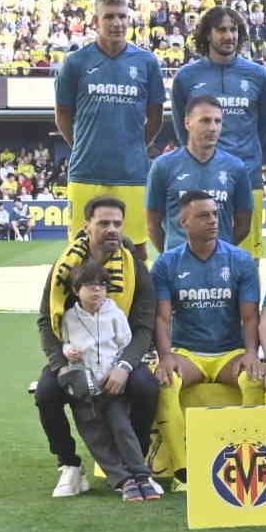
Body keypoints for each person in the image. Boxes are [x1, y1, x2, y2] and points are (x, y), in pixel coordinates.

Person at [37, 197, 159, 498]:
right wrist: (62, 365)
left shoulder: (135, 267)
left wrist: (125, 366)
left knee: (146, 386)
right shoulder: (65, 267)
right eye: (103, 223)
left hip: (120, 355)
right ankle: (69, 464)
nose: (112, 229)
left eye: (117, 223)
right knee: (47, 392)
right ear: (86, 226)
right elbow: (45, 321)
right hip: (75, 357)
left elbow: (144, 327)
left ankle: (137, 462)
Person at [150, 190, 262, 474]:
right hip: (188, 354)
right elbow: (161, 318)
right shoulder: (166, 263)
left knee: (255, 381)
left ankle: (242, 456)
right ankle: (182, 470)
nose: (213, 220)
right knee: (164, 385)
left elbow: (250, 317)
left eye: (215, 214)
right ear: (183, 221)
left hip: (231, 353)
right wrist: (165, 356)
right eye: (203, 215)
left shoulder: (241, 260)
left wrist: (251, 353)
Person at [54, 0, 165, 255]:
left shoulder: (146, 62)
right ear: (95, 21)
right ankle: (83, 297)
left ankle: (138, 298)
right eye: (110, 17)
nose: (117, 23)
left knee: (136, 248)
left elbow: (157, 116)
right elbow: (62, 114)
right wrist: (83, 145)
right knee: (82, 248)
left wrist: (134, 146)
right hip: (86, 171)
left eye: (123, 16)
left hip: (131, 172)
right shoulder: (76, 62)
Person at [172, 6, 266, 256]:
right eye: (221, 30)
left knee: (247, 257)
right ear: (208, 34)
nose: (229, 36)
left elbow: (263, 127)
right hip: (200, 180)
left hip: (248, 177)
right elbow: (180, 128)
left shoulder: (258, 75)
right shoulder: (186, 77)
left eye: (234, 30)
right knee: (196, 253)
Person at [59, 262, 161, 501]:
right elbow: (63, 341)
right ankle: (123, 481)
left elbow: (126, 345)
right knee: (95, 435)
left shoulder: (115, 314)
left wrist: (119, 369)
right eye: (90, 286)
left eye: (102, 286)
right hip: (84, 389)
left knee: (122, 428)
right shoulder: (70, 318)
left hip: (111, 386)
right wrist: (68, 351)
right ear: (76, 290)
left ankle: (141, 475)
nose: (97, 291)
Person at [146, 96, 252, 252]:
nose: (213, 128)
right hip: (178, 266)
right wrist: (173, 255)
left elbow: (244, 225)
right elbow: (152, 225)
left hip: (220, 263)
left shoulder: (236, 167)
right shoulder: (163, 166)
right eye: (205, 120)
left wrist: (216, 251)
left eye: (218, 121)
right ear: (188, 123)